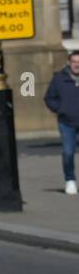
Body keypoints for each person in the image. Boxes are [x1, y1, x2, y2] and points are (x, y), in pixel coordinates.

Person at [43, 49, 79, 195]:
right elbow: (49, 98)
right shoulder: (59, 78)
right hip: (67, 122)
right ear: (69, 63)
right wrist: (60, 109)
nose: (77, 65)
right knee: (68, 152)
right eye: (74, 62)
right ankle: (70, 180)